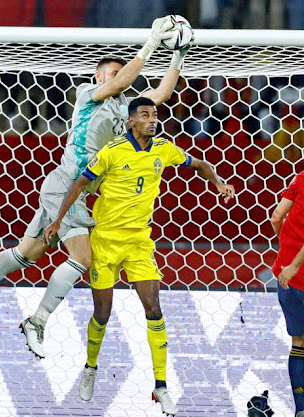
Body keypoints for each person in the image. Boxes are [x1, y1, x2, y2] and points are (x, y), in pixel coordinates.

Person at [0, 16, 186, 358]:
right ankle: (37, 321)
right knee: (84, 257)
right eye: (113, 72)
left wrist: (178, 55)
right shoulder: (89, 94)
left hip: (70, 190)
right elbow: (119, 83)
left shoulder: (127, 113)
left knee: (28, 252)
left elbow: (160, 94)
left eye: (121, 73)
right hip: (66, 184)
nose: (119, 78)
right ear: (98, 76)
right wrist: (151, 43)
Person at [42, 97, 235, 415]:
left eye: (155, 114)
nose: (152, 119)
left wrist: (217, 182)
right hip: (105, 242)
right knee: (102, 313)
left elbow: (199, 164)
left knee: (154, 309)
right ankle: (91, 368)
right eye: (144, 115)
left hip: (139, 244)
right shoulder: (113, 151)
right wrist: (58, 219)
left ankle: (160, 386)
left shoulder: (163, 148)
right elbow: (79, 182)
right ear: (131, 121)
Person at [270, 169, 304, 417]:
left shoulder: (301, 177)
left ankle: (301, 409)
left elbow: (277, 216)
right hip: (292, 271)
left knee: (299, 344)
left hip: (288, 280)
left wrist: (288, 254)